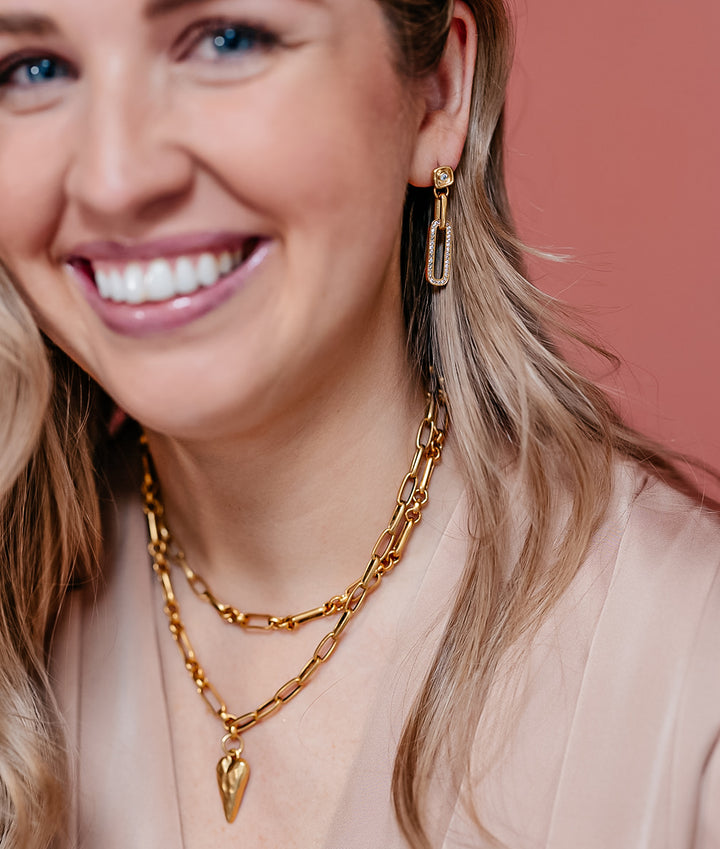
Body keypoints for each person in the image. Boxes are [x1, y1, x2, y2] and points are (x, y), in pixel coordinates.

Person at [0, 0, 718, 847]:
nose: (115, 178)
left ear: (438, 93)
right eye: (31, 69)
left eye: (227, 40)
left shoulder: (691, 680)